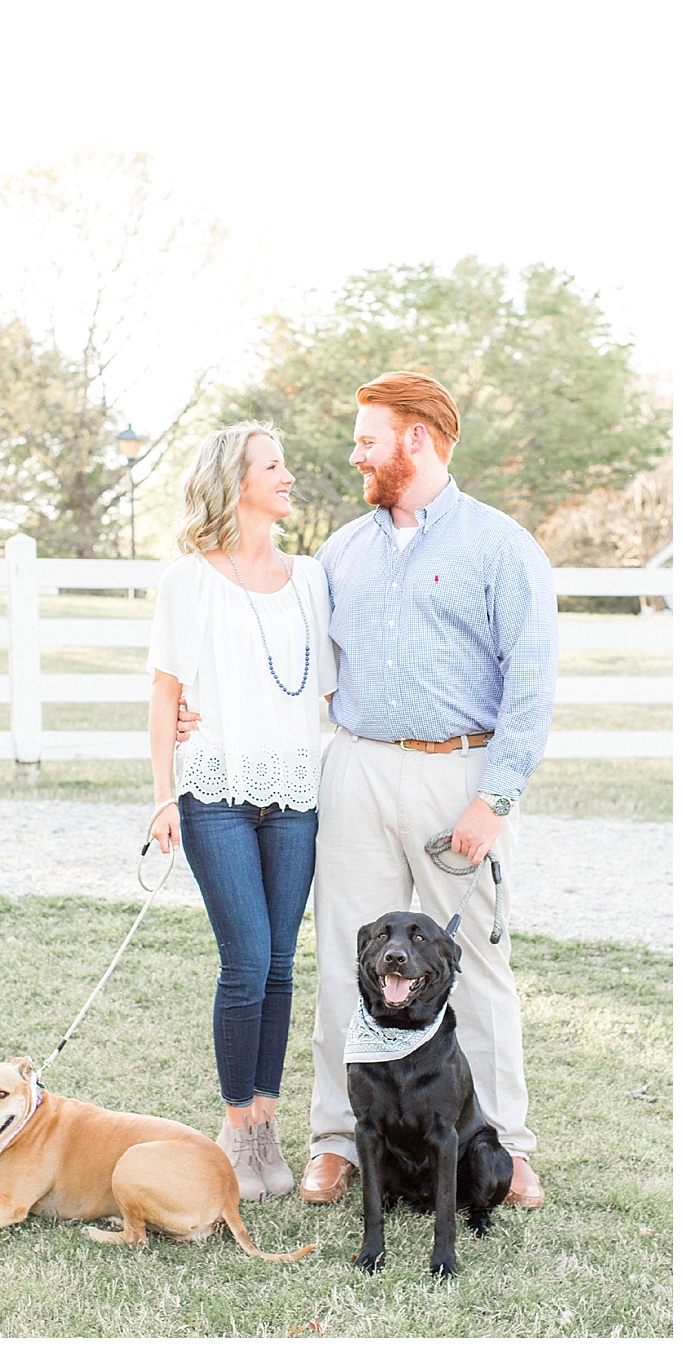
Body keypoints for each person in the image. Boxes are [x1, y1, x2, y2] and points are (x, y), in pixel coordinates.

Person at [178, 372, 557, 1209]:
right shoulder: (339, 555)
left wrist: (495, 799)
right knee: (343, 960)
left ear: (415, 439)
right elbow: (281, 657)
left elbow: (531, 687)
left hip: (459, 773)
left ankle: (502, 1143)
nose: (355, 455)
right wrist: (193, 708)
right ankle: (338, 1140)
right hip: (353, 769)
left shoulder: (500, 547)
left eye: (367, 440)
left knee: (474, 961)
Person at [146, 421, 336, 1201]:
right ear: (235, 482)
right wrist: (163, 794)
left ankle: (265, 1125)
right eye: (273, 466)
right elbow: (165, 694)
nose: (288, 476)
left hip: (295, 796)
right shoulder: (188, 581)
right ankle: (235, 1127)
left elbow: (331, 686)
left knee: (282, 963)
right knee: (247, 959)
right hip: (215, 793)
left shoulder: (312, 577)